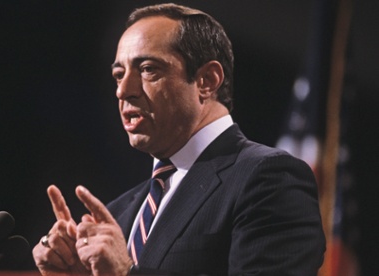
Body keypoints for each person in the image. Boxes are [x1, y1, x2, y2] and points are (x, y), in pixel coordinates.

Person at [32, 3, 325, 275]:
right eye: (119, 75)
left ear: (206, 81)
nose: (123, 91)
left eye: (148, 69)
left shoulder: (269, 179)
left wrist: (125, 273)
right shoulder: (118, 214)